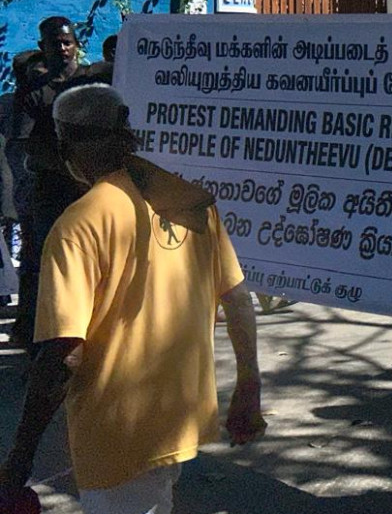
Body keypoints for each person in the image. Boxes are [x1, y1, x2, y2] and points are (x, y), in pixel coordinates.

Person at [0, 84, 265, 512]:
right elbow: (235, 297)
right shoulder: (187, 199)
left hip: (119, 432)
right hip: (179, 414)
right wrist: (249, 387)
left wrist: (19, 459)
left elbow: (65, 352)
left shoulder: (78, 225)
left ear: (67, 146)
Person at [10, 17, 89, 348]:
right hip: (50, 192)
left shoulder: (91, 84)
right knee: (44, 262)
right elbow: (23, 144)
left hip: (88, 191)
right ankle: (39, 336)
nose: (63, 48)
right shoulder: (33, 93)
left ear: (76, 45)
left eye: (68, 42)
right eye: (55, 43)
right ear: (43, 47)